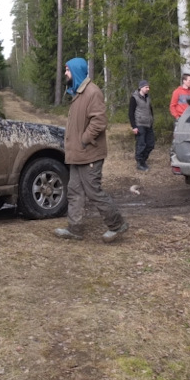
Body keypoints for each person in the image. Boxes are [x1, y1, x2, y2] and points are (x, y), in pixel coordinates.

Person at [54, 57, 129, 243]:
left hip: (90, 153)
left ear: (76, 71)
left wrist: (84, 140)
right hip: (77, 155)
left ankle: (117, 224)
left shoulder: (92, 92)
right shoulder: (78, 92)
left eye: (67, 70)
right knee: (74, 191)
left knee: (93, 191)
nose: (65, 73)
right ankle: (75, 229)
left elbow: (99, 122)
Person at [128, 79, 155, 171]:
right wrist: (134, 126)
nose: (148, 89)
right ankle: (140, 163)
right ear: (141, 88)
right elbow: (130, 113)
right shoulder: (134, 98)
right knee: (141, 144)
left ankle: (143, 160)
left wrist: (152, 120)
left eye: (148, 87)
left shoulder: (148, 98)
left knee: (151, 144)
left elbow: (150, 110)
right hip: (139, 124)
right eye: (146, 87)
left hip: (148, 124)